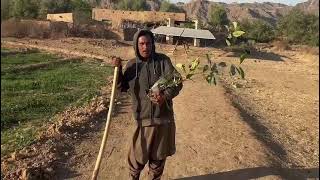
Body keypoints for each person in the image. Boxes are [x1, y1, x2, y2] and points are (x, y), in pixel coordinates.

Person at [112, 29, 183, 180]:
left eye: (148, 43)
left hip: (163, 119)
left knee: (158, 160)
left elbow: (177, 81)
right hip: (143, 121)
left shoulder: (163, 61)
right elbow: (121, 88)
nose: (145, 47)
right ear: (136, 46)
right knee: (136, 159)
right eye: (142, 44)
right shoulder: (132, 66)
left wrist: (164, 96)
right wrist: (117, 71)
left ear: (153, 44)